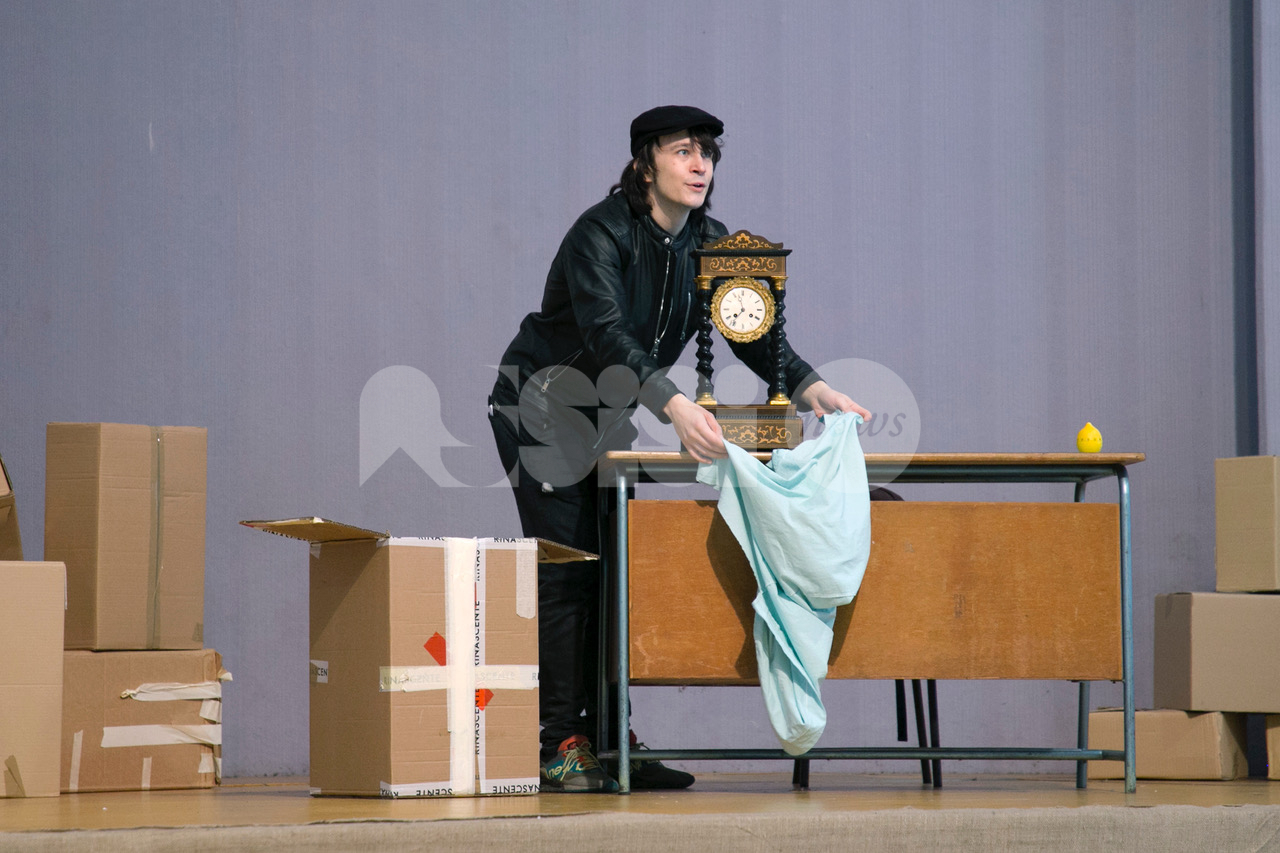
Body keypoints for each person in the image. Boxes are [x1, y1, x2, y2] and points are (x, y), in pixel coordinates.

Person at [489, 105, 869, 792]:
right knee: (570, 574)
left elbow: (752, 329)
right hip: (541, 406)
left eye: (709, 154)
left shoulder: (710, 243)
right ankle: (560, 745)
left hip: (608, 417)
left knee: (618, 573)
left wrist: (814, 388)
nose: (701, 166)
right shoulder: (600, 234)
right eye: (684, 151)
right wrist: (672, 402)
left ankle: (611, 739)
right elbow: (606, 333)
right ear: (646, 164)